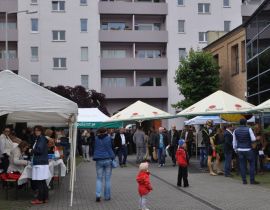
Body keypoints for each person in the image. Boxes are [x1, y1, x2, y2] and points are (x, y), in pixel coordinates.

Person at [233, 118, 259, 185]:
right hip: (248, 149)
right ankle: (252, 180)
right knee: (252, 165)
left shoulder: (235, 130)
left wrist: (235, 149)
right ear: (246, 123)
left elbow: (234, 142)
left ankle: (244, 181)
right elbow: (253, 139)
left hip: (240, 150)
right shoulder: (249, 129)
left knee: (242, 165)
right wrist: (257, 138)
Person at [93, 128, 115, 202]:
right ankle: (107, 196)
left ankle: (98, 195)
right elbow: (112, 147)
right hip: (108, 159)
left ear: (99, 132)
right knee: (107, 179)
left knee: (99, 179)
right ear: (106, 131)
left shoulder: (96, 139)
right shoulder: (109, 138)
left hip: (98, 159)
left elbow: (94, 147)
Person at [30, 125, 49, 205]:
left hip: (40, 163)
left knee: (40, 182)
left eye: (38, 130)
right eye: (35, 130)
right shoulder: (41, 138)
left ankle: (40, 199)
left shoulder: (41, 138)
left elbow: (39, 150)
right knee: (42, 181)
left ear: (41, 131)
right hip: (42, 162)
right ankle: (45, 198)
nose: (36, 131)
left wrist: (32, 150)